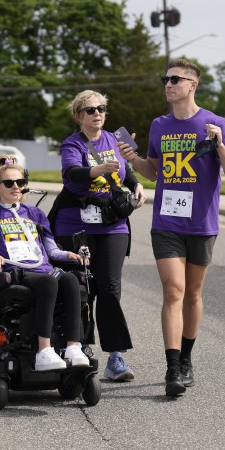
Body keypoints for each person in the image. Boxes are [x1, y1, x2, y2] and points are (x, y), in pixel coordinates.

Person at [116, 58, 225, 397]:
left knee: (193, 294)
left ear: (192, 85)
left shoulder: (215, 123)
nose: (168, 85)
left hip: (202, 222)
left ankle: (187, 359)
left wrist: (218, 144)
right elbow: (154, 171)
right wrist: (132, 159)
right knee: (173, 290)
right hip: (167, 222)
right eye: (165, 80)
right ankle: (172, 367)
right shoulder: (159, 125)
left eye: (175, 79)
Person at [49, 90, 146, 382]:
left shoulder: (117, 138)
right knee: (81, 288)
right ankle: (78, 349)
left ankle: (116, 357)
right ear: (78, 115)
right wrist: (96, 170)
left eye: (101, 108)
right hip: (74, 225)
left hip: (112, 224)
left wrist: (136, 185)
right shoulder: (72, 143)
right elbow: (71, 174)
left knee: (109, 288)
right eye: (90, 110)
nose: (97, 114)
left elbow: (127, 169)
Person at [0, 156, 88, 371]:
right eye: (9, 183)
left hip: (43, 268)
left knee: (71, 280)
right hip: (17, 271)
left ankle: (73, 347)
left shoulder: (35, 214)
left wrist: (69, 255)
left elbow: (52, 251)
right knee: (49, 282)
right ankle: (44, 351)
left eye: (20, 182)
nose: (16, 187)